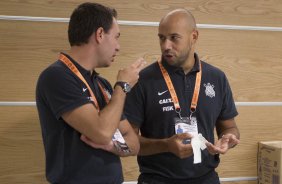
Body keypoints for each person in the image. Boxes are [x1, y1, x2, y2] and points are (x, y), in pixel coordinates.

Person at [125, 9, 240, 184]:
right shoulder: (143, 80)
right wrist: (166, 145)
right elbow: (128, 141)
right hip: (157, 179)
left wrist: (228, 139)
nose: (166, 46)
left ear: (193, 36)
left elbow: (229, 127)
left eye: (174, 37)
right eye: (161, 38)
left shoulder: (216, 78)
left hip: (206, 178)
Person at [36, 2, 146, 184]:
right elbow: (102, 132)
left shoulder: (102, 84)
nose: (118, 47)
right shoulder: (57, 76)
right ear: (100, 34)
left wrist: (112, 145)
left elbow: (133, 144)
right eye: (116, 37)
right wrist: (123, 86)